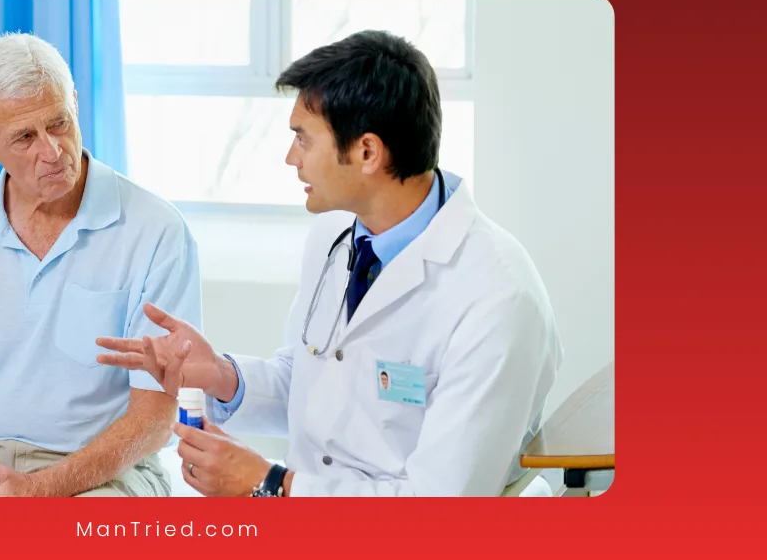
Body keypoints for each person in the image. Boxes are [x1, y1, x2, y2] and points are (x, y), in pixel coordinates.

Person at [97, 30, 563, 497]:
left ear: (366, 152)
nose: (289, 158)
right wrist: (221, 376)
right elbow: (312, 383)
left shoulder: (497, 297)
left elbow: (442, 501)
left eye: (303, 139)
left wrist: (270, 483)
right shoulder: (335, 238)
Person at [0, 33, 201, 497]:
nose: (52, 151)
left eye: (59, 123)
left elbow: (154, 416)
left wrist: (42, 489)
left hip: (101, 471)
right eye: (25, 137)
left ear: (75, 105)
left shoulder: (156, 229)